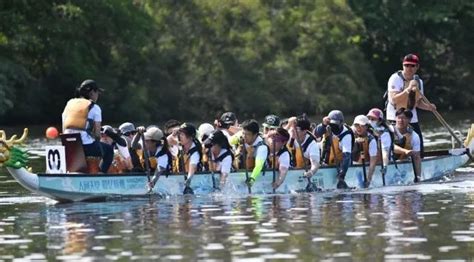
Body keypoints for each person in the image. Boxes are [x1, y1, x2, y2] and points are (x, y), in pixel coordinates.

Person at [386, 54, 436, 157]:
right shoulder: (395, 78)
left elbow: (418, 103)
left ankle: (418, 164)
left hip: (412, 119)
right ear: (403, 66)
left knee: (419, 150)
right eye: (406, 65)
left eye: (412, 66)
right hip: (396, 118)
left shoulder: (419, 82)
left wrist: (428, 107)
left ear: (417, 67)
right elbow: (393, 99)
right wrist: (407, 90)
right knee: (396, 148)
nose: (409, 68)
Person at [62, 79, 113, 173]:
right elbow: (98, 135)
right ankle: (101, 175)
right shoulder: (95, 108)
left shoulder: (69, 104)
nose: (98, 95)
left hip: (68, 145)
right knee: (109, 150)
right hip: (86, 147)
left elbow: (64, 126)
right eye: (97, 92)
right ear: (92, 92)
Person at [316, 110, 353, 189]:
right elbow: (316, 134)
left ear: (341, 123)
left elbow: (347, 156)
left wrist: (341, 175)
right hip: (325, 163)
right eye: (332, 124)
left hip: (339, 165)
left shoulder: (346, 135)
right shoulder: (326, 127)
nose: (333, 126)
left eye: (336, 124)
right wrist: (323, 125)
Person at [135, 127, 172, 191]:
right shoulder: (146, 144)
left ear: (154, 142)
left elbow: (159, 170)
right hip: (150, 174)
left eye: (146, 141)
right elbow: (133, 145)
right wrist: (138, 134)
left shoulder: (163, 153)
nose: (144, 142)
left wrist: (152, 182)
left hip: (165, 178)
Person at [393, 108, 422, 181]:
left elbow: (417, 157)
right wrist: (404, 151)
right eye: (399, 118)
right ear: (395, 118)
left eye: (404, 118)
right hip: (389, 161)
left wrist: (418, 176)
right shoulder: (389, 132)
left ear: (409, 120)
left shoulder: (414, 136)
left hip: (404, 161)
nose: (401, 120)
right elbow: (389, 147)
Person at [351, 115, 378, 187]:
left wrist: (368, 179)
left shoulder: (371, 140)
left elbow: (373, 162)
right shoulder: (350, 135)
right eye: (356, 125)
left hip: (365, 168)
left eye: (361, 125)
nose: (358, 128)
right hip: (353, 167)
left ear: (366, 126)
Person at [241, 119, 269, 186]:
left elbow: (258, 166)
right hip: (241, 170)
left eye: (247, 134)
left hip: (256, 174)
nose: (244, 137)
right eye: (243, 133)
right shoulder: (242, 136)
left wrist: (252, 178)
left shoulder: (262, 148)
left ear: (255, 135)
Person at [178, 123, 203, 194]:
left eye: (182, 135)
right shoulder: (180, 145)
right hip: (179, 177)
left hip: (194, 181)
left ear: (191, 137)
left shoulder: (195, 152)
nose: (180, 137)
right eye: (180, 134)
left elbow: (193, 167)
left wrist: (188, 180)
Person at [366, 108, 394, 173]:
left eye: (373, 119)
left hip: (383, 160)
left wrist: (385, 166)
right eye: (369, 118)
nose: (370, 121)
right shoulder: (365, 128)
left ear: (380, 121)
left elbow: (385, 152)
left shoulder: (385, 133)